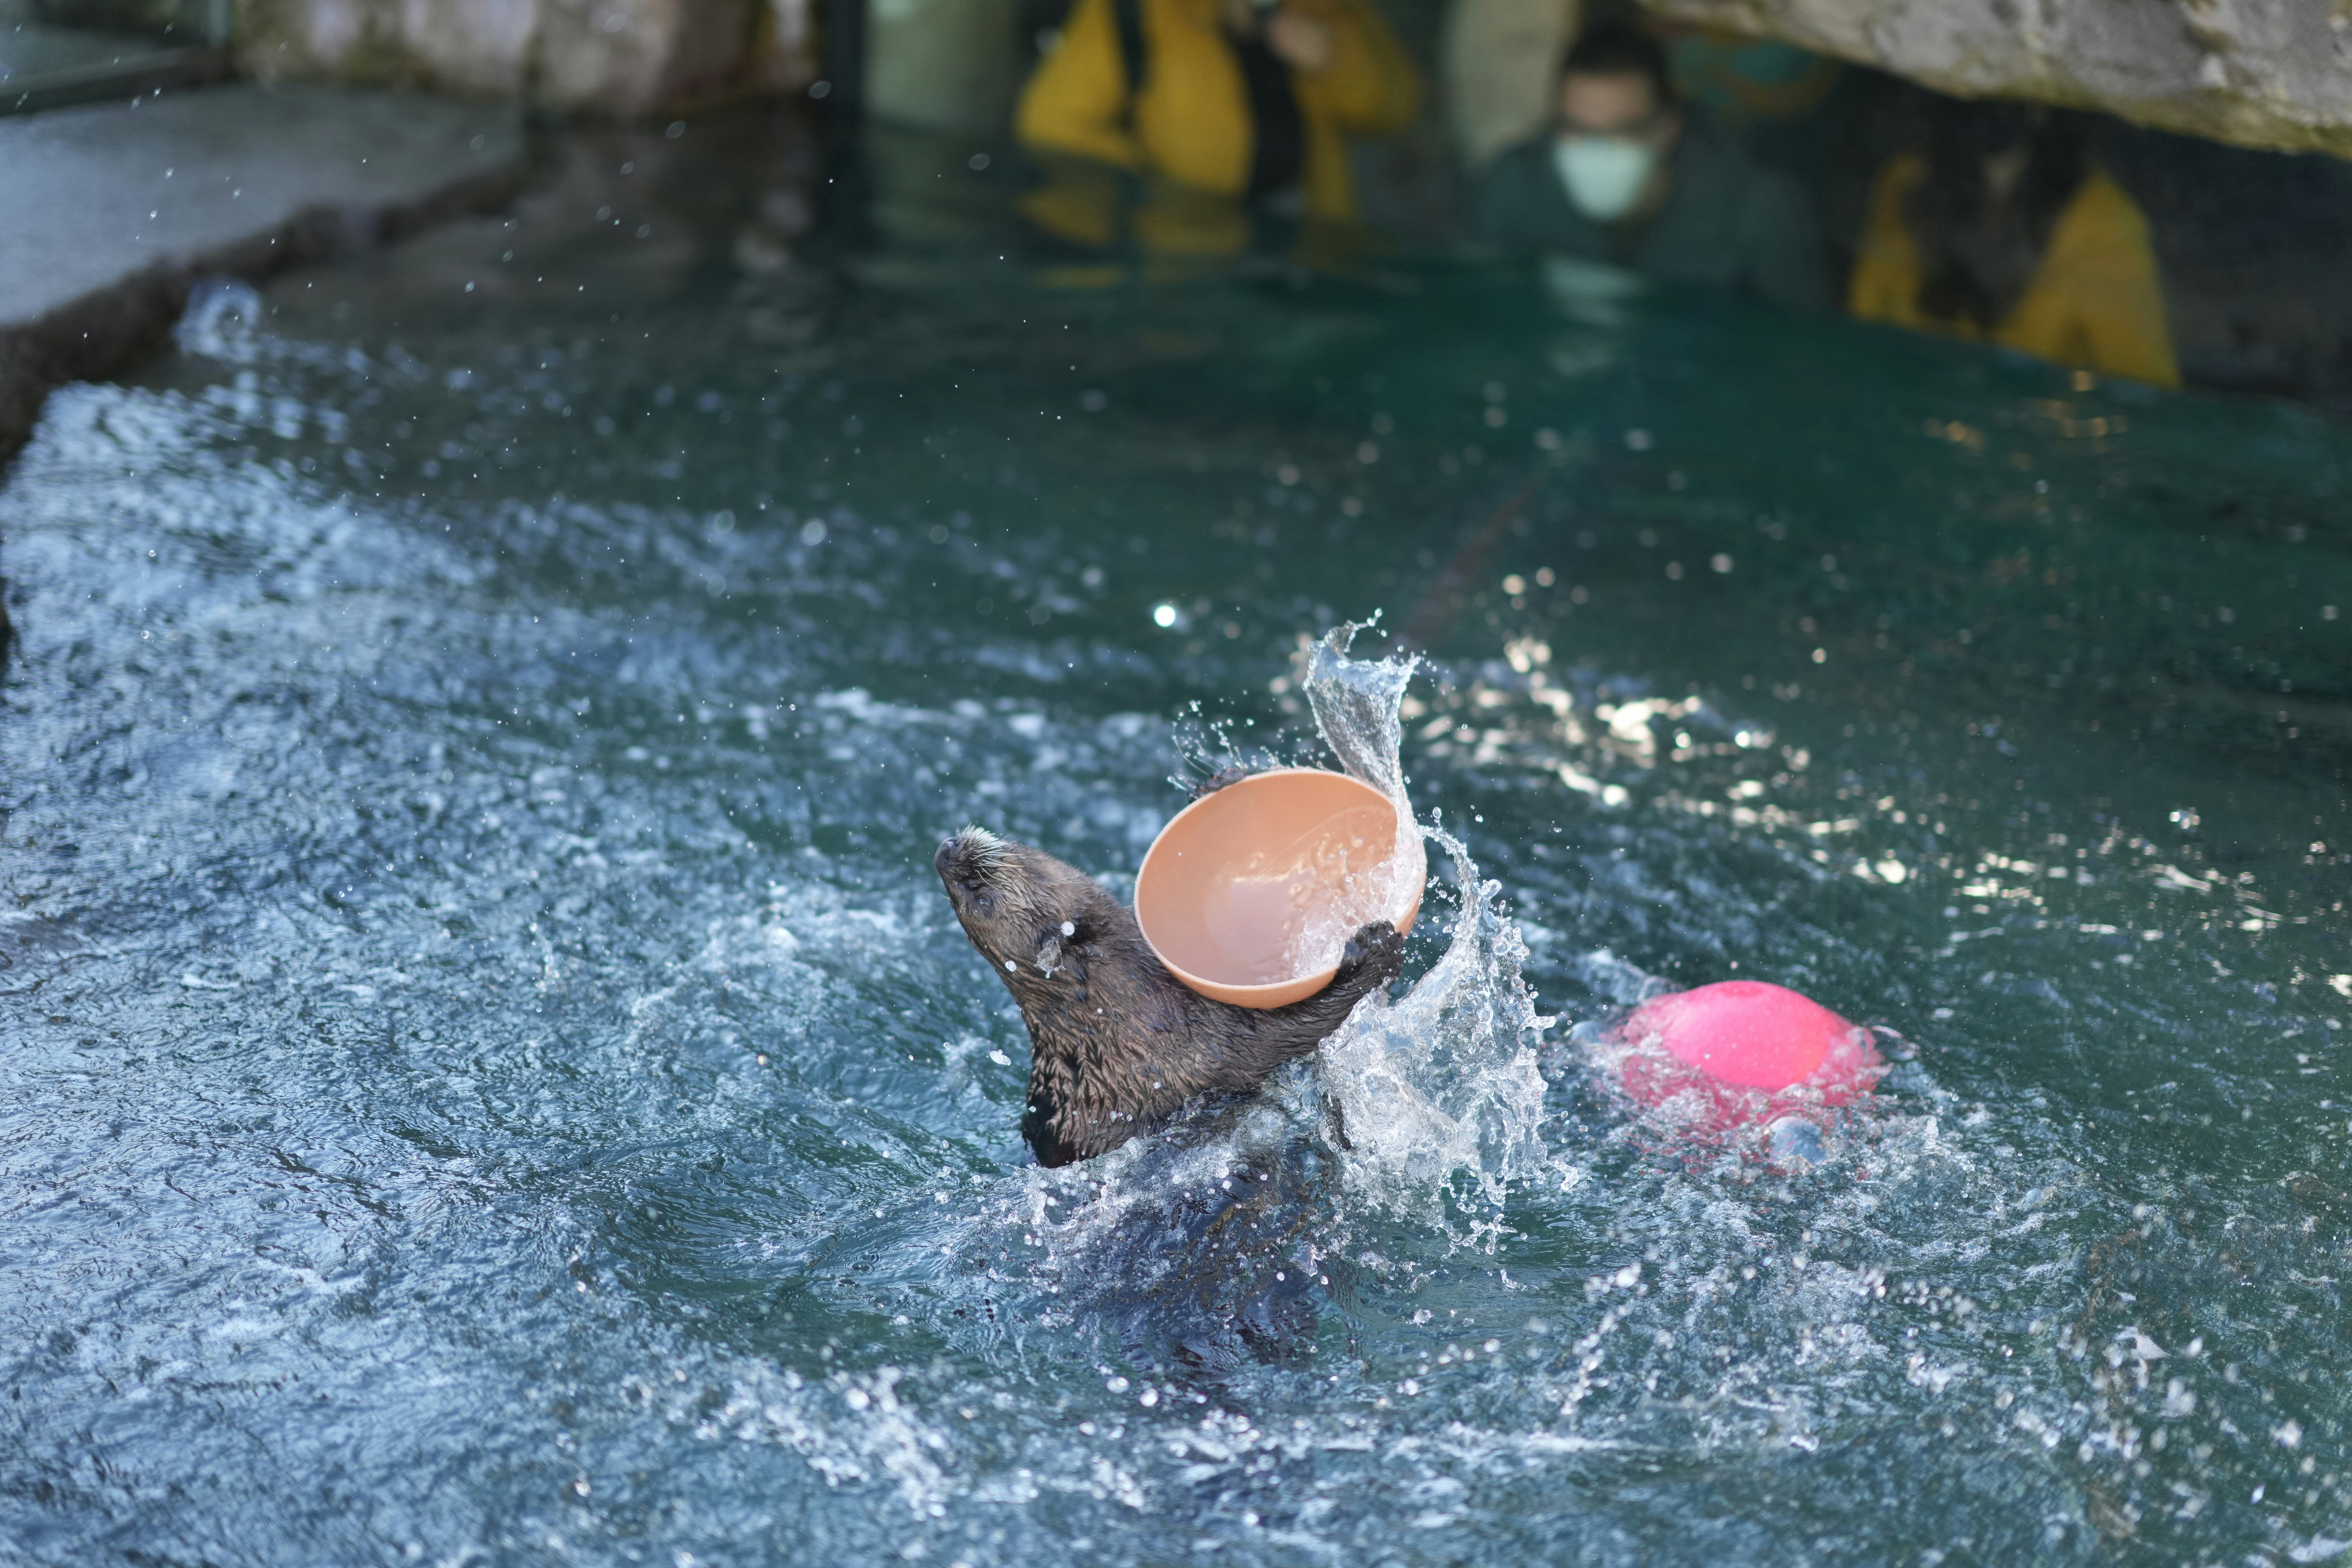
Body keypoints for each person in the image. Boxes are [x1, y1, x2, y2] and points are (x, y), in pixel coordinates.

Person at [1470, 22, 1829, 312]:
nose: (1597, 152)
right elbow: (1479, 314)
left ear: (1668, 127)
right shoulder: (1514, 186)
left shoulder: (1753, 210)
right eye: (1578, 131)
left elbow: (1796, 346)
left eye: (1623, 132)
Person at [1014, 0, 1420, 248]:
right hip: (1190, 261)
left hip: (1315, 248)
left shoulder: (1329, 10)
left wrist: (1337, 60)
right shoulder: (1134, 12)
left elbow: (1396, 111)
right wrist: (1163, 196)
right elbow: (1051, 125)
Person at [1847, 100, 2179, 388]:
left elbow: (2144, 388)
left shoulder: (2103, 220)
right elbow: (1863, 330)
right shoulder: (1908, 182)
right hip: (1913, 400)